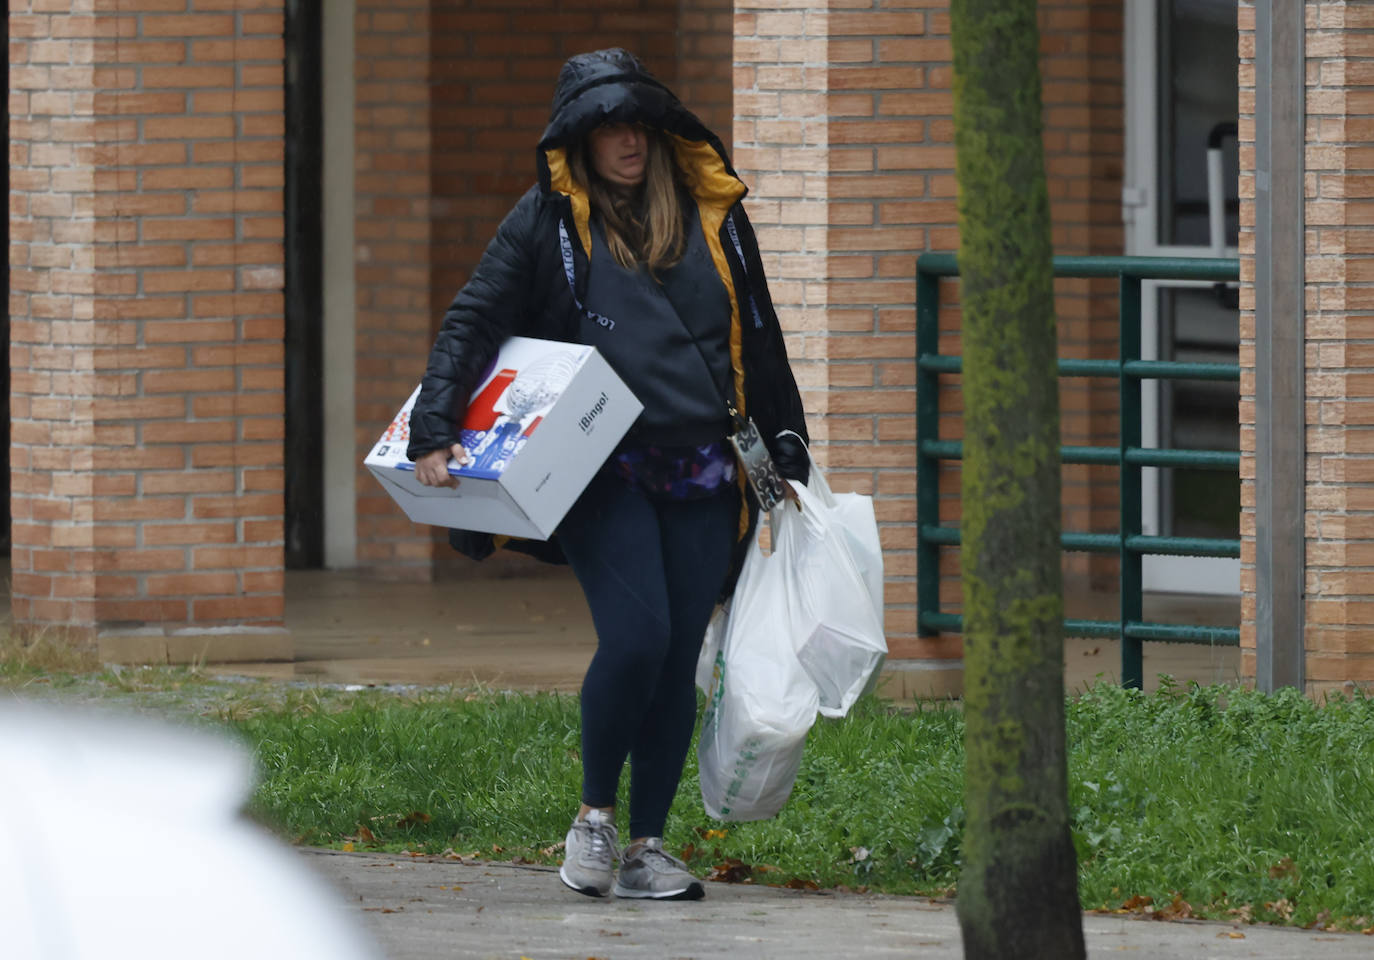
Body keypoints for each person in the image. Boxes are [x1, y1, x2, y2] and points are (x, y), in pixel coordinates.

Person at [406, 48, 809, 901]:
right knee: (637, 639)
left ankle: (649, 846)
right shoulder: (547, 220)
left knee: (675, 663)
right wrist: (435, 428)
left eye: (639, 124)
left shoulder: (714, 216)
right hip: (602, 467)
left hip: (707, 469)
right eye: (607, 128)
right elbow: (474, 317)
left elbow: (759, 336)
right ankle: (593, 820)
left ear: (662, 132)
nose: (627, 141)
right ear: (578, 143)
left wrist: (784, 452)